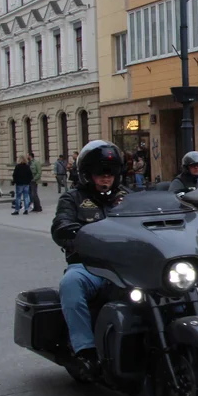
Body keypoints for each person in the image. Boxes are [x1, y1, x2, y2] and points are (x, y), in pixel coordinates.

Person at [51, 141, 128, 378]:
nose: (106, 179)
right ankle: (85, 351)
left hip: (127, 267)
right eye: (100, 174)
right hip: (89, 266)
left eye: (111, 174)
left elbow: (153, 214)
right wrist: (71, 232)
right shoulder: (72, 199)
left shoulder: (127, 197)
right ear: (87, 175)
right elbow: (61, 225)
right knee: (70, 284)